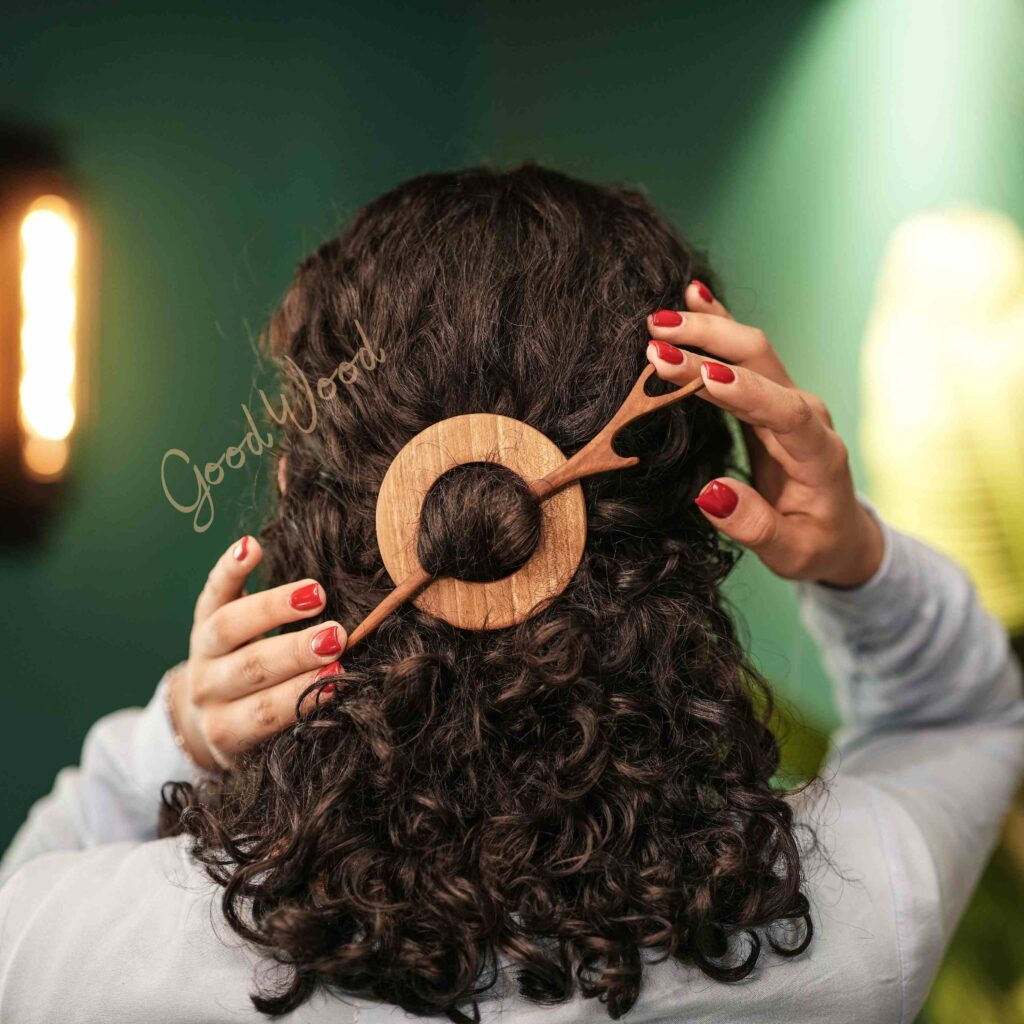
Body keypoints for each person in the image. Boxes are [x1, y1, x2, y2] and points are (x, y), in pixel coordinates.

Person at [1, 165, 1021, 1024]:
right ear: (676, 532)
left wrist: (181, 728)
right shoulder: (854, 925)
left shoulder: (76, 957)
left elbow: (35, 875)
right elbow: (966, 714)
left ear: (314, 507)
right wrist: (851, 557)